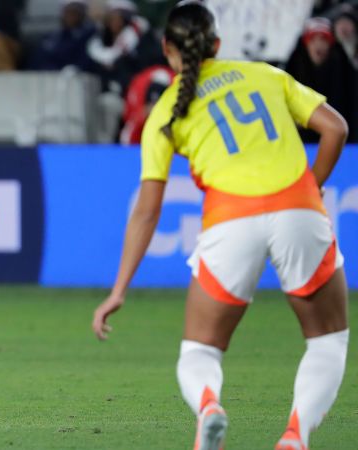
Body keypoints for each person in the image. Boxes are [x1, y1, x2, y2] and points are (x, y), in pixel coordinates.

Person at [92, 2, 349, 450]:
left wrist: (119, 289)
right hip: (299, 209)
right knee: (328, 341)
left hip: (230, 221)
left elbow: (147, 211)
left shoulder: (166, 112)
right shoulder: (265, 75)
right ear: (217, 44)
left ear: (167, 48)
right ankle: (295, 437)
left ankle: (210, 406)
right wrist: (313, 185)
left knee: (200, 352)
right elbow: (336, 129)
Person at [284, 17, 357, 143]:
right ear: (305, 44)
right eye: (312, 39)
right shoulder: (290, 76)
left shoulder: (345, 76)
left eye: (324, 39)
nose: (319, 44)